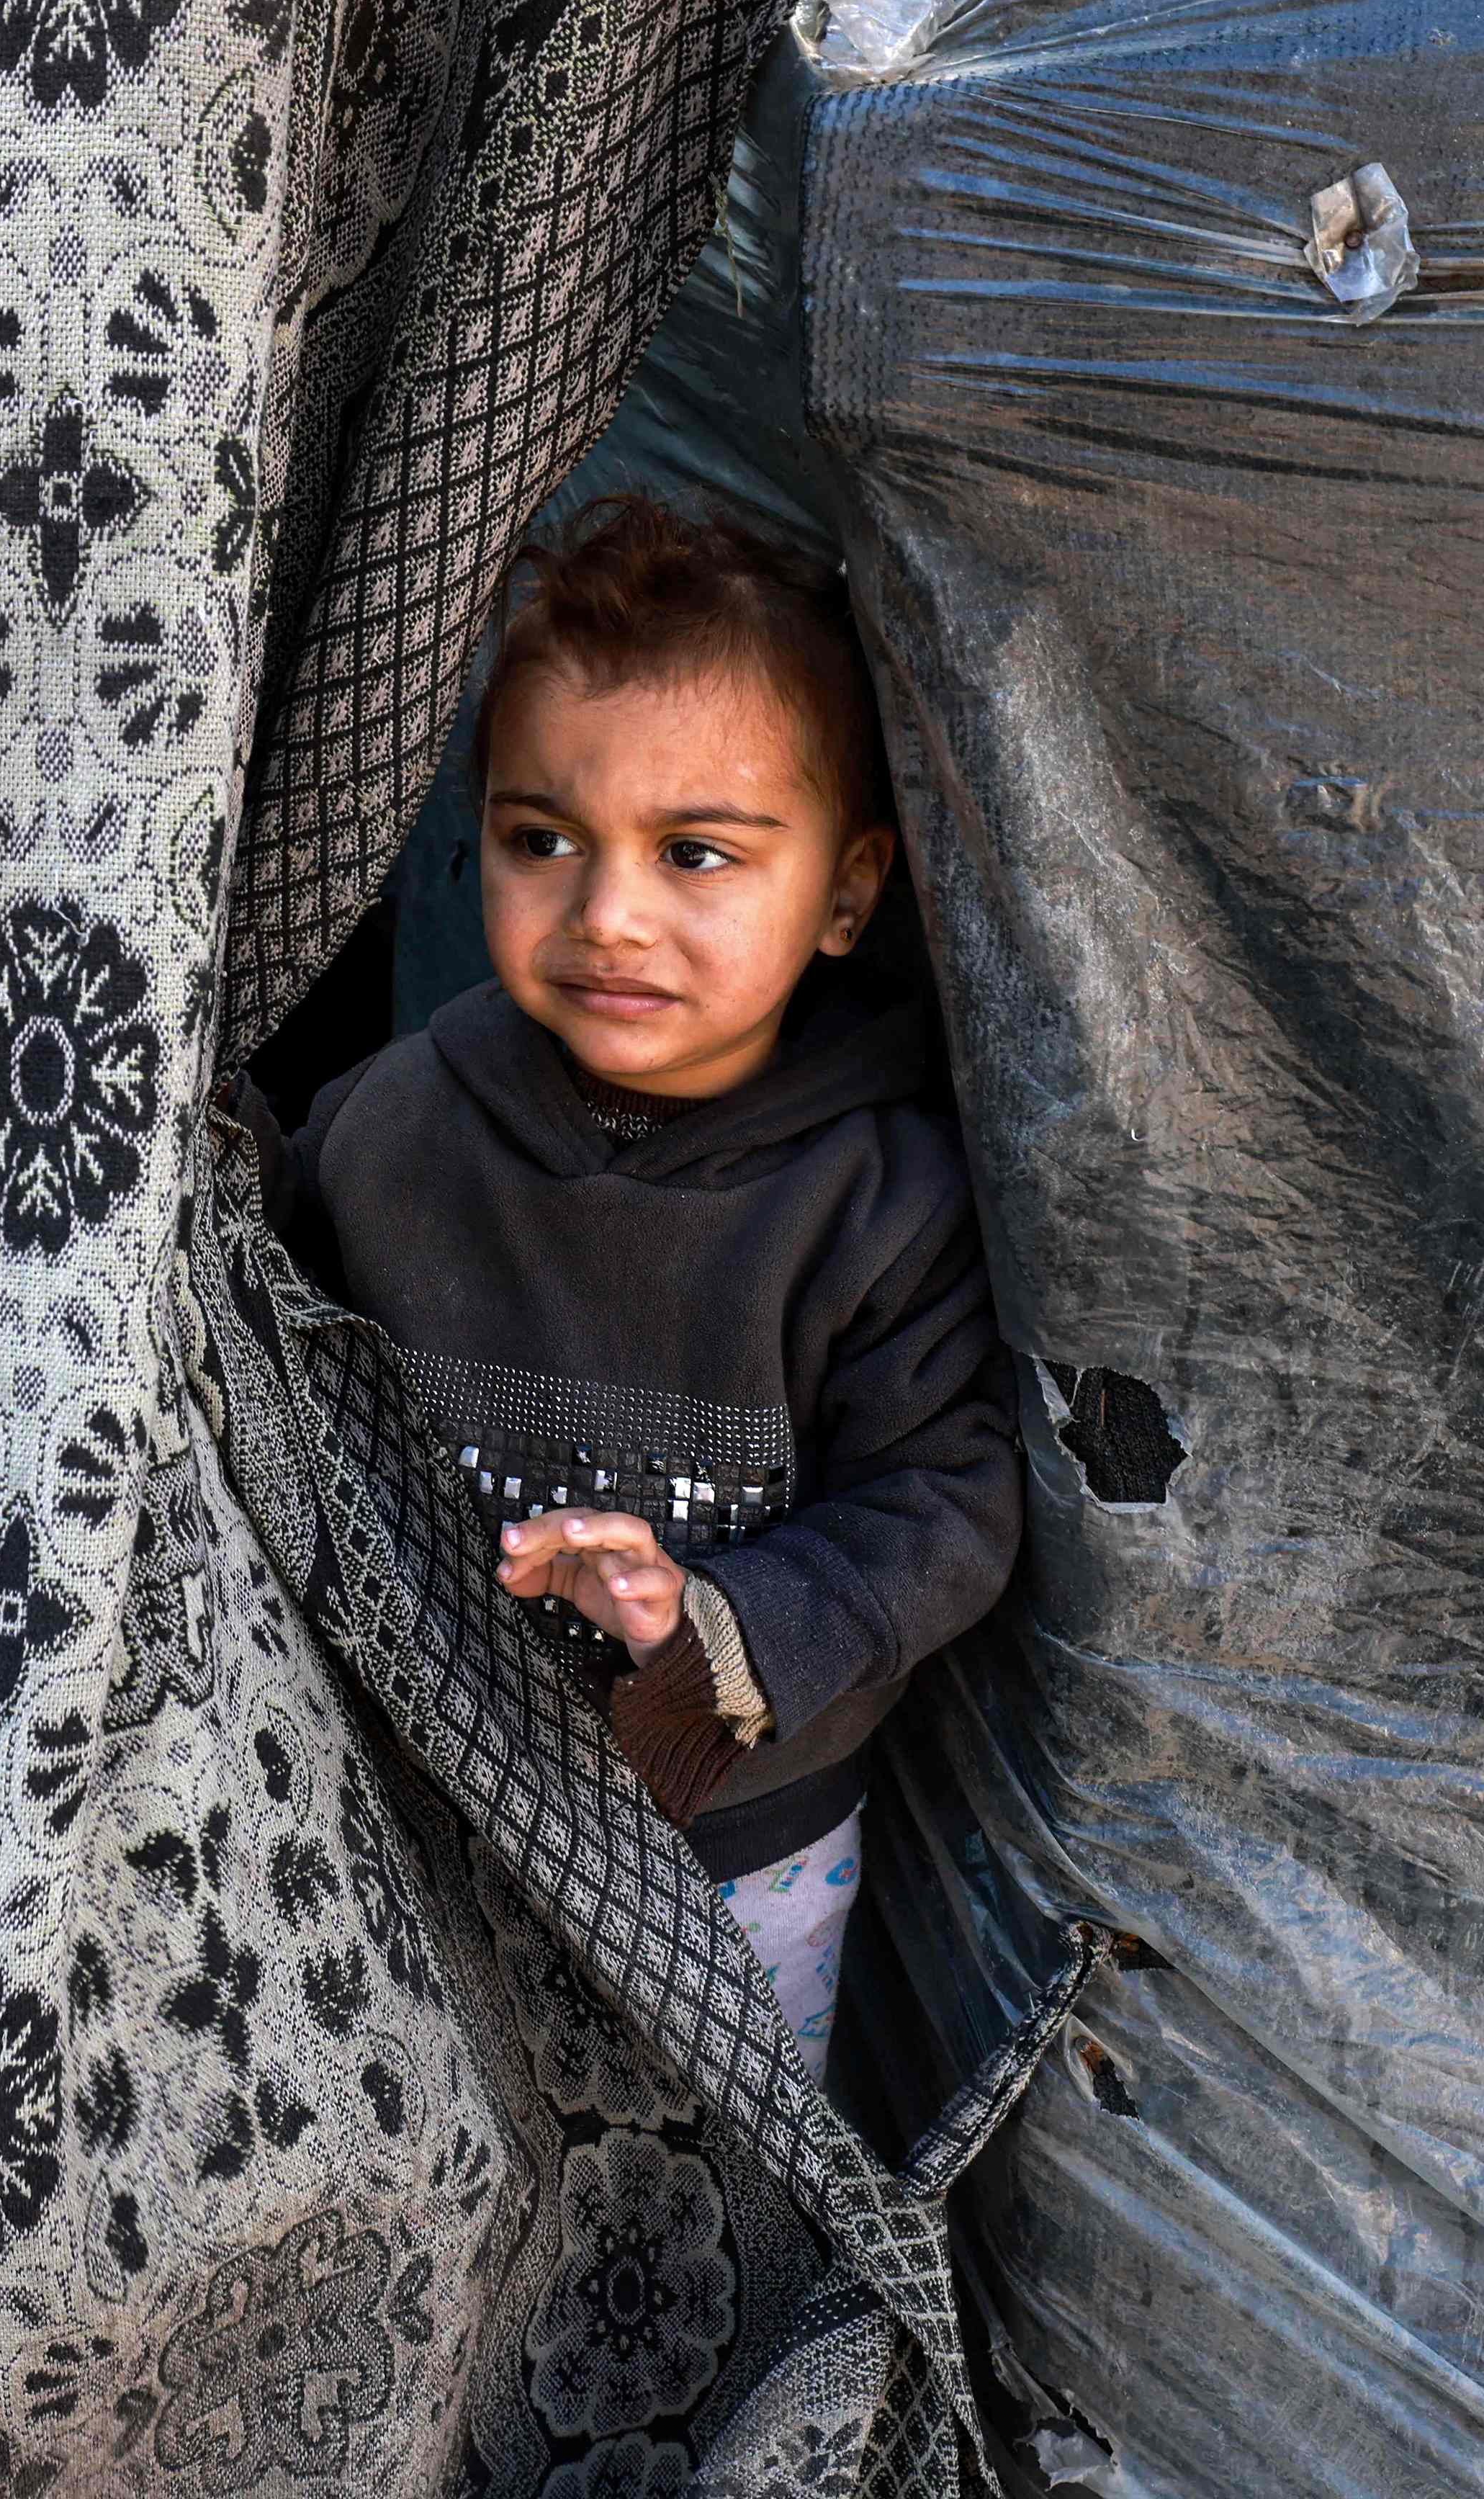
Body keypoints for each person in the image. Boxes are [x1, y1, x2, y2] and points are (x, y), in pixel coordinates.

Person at [264, 493, 1022, 2069]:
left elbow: (949, 1503)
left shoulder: (879, 1200)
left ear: (845, 891)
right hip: (405, 1814)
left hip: (741, 1854)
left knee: (709, 2180)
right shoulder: (393, 1126)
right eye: (544, 838)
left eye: (695, 852)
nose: (607, 914)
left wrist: (717, 1626)